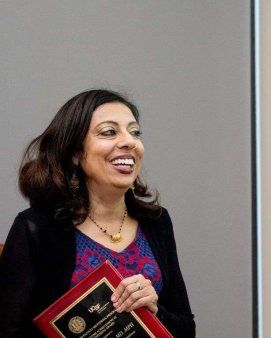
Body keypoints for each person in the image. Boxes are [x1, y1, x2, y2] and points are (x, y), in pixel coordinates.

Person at [0, 89, 195, 337]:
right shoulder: (36, 227)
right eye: (109, 132)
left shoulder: (156, 221)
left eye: (135, 132)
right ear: (75, 153)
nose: (129, 141)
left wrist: (155, 312)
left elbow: (187, 329)